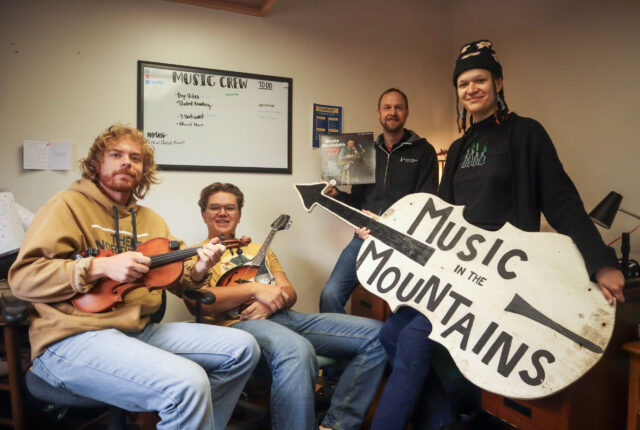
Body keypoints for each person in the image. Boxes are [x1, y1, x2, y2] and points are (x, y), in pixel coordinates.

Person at [369, 39, 626, 430]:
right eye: (463, 83)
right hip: (453, 271)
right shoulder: (457, 149)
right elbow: (439, 218)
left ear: (498, 83)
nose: (471, 89)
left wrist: (601, 263)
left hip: (497, 280)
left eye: (480, 80)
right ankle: (443, 422)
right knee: (391, 333)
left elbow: (563, 203)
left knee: (412, 341)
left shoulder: (526, 135)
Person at [8, 125, 260, 430]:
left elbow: (181, 282)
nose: (127, 162)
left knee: (244, 347)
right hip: (70, 339)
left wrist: (200, 269)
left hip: (138, 331)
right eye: (116, 155)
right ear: (96, 163)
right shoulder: (65, 207)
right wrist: (98, 267)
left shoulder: (152, 220)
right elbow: (23, 280)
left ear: (144, 170)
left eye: (136, 158)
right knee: (188, 381)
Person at [186, 182, 387, 430]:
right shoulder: (196, 255)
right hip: (239, 325)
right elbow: (202, 303)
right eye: (215, 208)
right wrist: (254, 290)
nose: (223, 213)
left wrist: (272, 304)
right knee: (297, 349)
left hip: (286, 317)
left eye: (230, 207)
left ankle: (337, 425)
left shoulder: (259, 249)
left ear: (239, 213)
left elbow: (289, 292)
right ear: (203, 214)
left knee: (379, 335)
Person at [320, 88, 439, 313]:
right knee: (330, 295)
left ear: (406, 113)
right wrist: (337, 196)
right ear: (378, 113)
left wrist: (388, 224)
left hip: (402, 243)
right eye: (387, 107)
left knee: (404, 310)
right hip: (364, 238)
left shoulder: (424, 152)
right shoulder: (366, 152)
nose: (392, 112)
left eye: (398, 107)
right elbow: (356, 202)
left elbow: (427, 206)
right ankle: (341, 345)